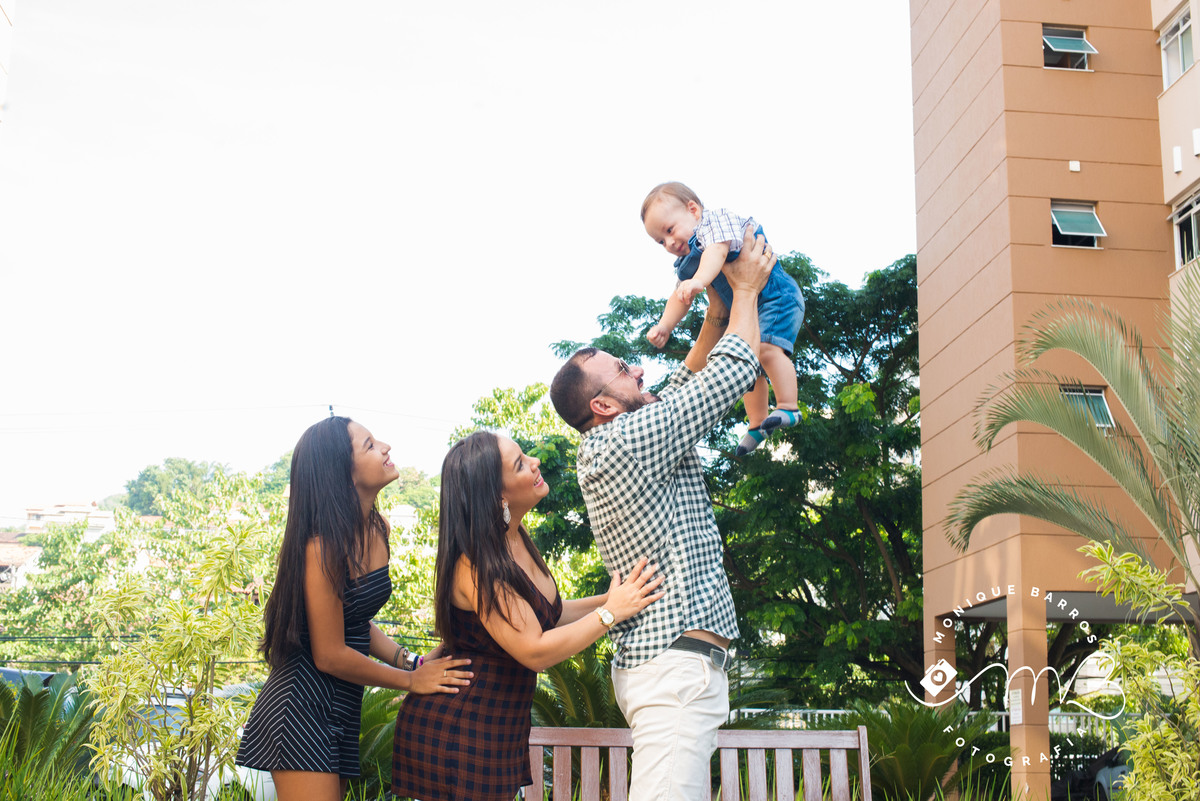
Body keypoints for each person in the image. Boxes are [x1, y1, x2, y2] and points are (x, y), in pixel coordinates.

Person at [548, 225, 774, 801]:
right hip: (675, 669)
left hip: (673, 665)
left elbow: (684, 382)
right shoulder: (627, 440)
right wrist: (747, 291)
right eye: (625, 370)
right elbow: (728, 374)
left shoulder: (620, 437)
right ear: (602, 404)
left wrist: (715, 313)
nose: (639, 370)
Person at [391, 431, 663, 801]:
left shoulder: (515, 538)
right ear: (498, 496)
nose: (535, 463)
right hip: (462, 731)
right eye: (520, 464)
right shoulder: (475, 564)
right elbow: (535, 650)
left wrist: (618, 598)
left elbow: (551, 614)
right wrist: (610, 612)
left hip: (499, 728)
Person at [235, 417, 473, 801]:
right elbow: (329, 654)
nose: (386, 447)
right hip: (300, 707)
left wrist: (411, 661)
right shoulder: (321, 549)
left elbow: (355, 621)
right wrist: (412, 681)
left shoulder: (378, 530)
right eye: (370, 445)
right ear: (343, 474)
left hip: (341, 705)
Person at [641, 181, 805, 455]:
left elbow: (717, 251)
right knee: (746, 364)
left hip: (777, 298)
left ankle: (789, 406)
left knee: (766, 350)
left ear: (693, 210)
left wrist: (699, 281)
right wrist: (665, 325)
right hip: (752, 309)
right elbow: (678, 296)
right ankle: (758, 423)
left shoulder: (715, 223)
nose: (668, 243)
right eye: (661, 241)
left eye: (669, 230)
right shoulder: (689, 261)